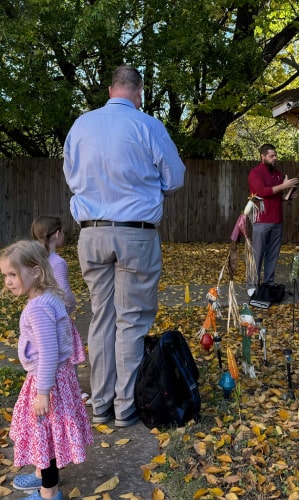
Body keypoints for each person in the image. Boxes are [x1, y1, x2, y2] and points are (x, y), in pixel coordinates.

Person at [63, 65, 186, 428]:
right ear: (139, 91)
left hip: (91, 233)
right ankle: (125, 407)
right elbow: (175, 178)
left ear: (110, 88)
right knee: (131, 321)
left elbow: (71, 176)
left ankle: (100, 403)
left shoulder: (81, 126)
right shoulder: (147, 126)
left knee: (101, 317)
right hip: (135, 233)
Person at [0, 240, 93, 500]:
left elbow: (49, 351)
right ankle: (42, 475)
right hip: (57, 378)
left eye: (13, 274)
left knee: (44, 435)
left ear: (36, 271)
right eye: (5, 275)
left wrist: (42, 392)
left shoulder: (37, 308)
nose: (8, 281)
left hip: (47, 381)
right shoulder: (51, 297)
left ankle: (49, 493)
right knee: (46, 432)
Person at [31, 216, 88, 398]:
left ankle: (47, 389)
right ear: (57, 234)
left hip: (41, 316)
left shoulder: (34, 260)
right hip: (58, 316)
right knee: (68, 355)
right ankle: (74, 391)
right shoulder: (57, 262)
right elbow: (65, 293)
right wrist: (71, 306)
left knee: (45, 355)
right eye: (63, 232)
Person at [247, 143, 299, 295]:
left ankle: (268, 283)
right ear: (262, 156)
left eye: (275, 155)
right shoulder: (255, 173)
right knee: (257, 253)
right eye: (271, 156)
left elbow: (275, 195)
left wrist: (288, 196)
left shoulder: (277, 174)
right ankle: (252, 284)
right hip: (261, 220)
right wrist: (283, 187)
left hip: (277, 220)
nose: (274, 158)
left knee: (273, 254)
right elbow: (261, 192)